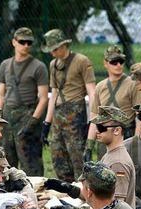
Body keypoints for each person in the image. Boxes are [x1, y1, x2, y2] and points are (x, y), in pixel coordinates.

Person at [45, 106, 136, 209]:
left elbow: (115, 207)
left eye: (101, 127)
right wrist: (69, 189)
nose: (97, 131)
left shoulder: (118, 162)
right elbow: (101, 197)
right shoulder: (110, 155)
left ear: (117, 130)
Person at [41, 29, 96, 182]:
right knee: (58, 158)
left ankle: (82, 192)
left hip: (75, 114)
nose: (52, 53)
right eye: (50, 50)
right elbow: (54, 93)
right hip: (58, 116)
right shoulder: (53, 64)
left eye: (55, 49)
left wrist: (92, 119)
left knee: (78, 158)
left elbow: (92, 92)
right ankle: (66, 190)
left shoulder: (81, 61)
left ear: (64, 45)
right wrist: (47, 122)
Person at [0, 27, 49, 175]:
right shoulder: (5, 65)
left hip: (28, 116)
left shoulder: (39, 66)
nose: (25, 45)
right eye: (22, 42)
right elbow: (1, 94)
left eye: (29, 43)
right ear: (14, 42)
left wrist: (33, 122)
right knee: (5, 163)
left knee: (31, 166)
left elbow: (44, 98)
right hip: (7, 117)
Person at [85, 45, 141, 161]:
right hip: (104, 135)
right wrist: (89, 146)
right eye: (114, 62)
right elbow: (94, 117)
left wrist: (136, 143)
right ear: (105, 63)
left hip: (125, 136)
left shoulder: (132, 84)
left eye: (121, 62)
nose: (118, 65)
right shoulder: (100, 86)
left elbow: (140, 117)